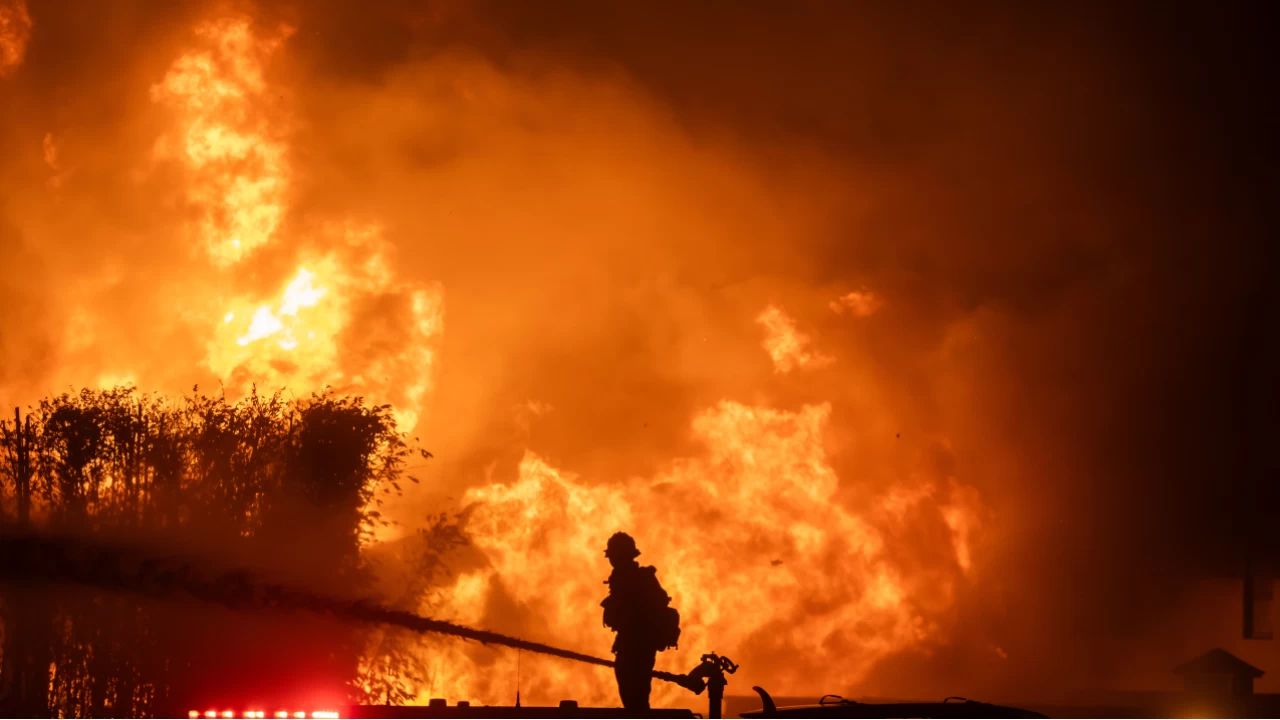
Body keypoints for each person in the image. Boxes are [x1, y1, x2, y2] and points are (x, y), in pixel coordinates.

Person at [600, 532, 678, 711]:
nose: (611, 560)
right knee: (633, 697)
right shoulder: (624, 578)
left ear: (623, 556)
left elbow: (646, 612)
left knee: (636, 697)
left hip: (638, 646)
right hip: (631, 644)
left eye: (614, 556)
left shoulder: (638, 579)